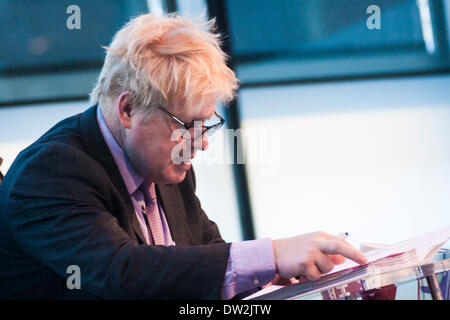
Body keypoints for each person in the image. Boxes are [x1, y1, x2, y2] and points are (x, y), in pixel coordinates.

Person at [0, 13, 366, 299]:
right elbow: (122, 272)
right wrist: (269, 255)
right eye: (187, 124)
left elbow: (203, 258)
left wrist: (270, 274)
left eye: (205, 124)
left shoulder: (165, 164)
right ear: (127, 110)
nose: (201, 143)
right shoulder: (51, 172)